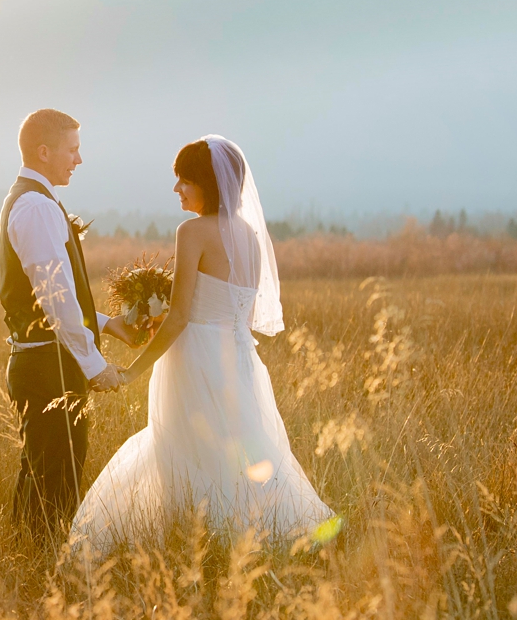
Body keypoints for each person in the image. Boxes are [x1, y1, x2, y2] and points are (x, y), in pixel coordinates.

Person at [69, 135, 336, 555]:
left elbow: (178, 318)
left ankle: (194, 540)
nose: (177, 189)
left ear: (208, 184)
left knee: (184, 447)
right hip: (240, 357)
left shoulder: (192, 231)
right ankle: (251, 538)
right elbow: (240, 313)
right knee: (241, 448)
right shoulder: (248, 234)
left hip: (194, 357)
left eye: (184, 181)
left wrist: (131, 371)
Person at [0, 109, 143, 547]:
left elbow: (54, 296)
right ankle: (43, 572)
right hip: (49, 367)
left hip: (44, 360)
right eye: (72, 149)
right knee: (55, 482)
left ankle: (30, 564)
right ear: (44, 151)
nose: (79, 160)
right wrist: (95, 366)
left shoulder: (33, 202)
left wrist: (109, 324)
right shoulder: (36, 207)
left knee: (44, 475)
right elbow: (56, 301)